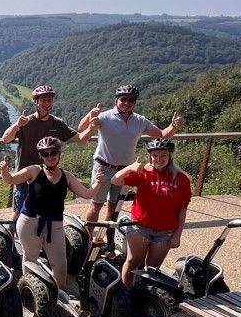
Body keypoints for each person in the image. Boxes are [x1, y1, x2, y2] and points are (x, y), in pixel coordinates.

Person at [0, 137, 104, 288]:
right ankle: (30, 291)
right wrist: (4, 170)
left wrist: (98, 184)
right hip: (30, 222)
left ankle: (58, 293)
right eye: (45, 154)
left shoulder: (66, 176)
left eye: (53, 152)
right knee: (30, 259)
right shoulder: (34, 170)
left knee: (60, 264)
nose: (50, 157)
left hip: (55, 223)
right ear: (40, 156)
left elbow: (87, 194)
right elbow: (10, 180)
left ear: (59, 154)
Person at [77, 85, 184, 231]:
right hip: (103, 168)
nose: (127, 102)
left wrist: (174, 126)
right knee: (96, 205)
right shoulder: (105, 116)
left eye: (131, 100)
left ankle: (105, 240)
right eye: (123, 99)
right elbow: (81, 128)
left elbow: (162, 135)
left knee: (114, 209)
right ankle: (88, 240)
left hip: (125, 171)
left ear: (135, 102)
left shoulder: (140, 120)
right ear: (116, 100)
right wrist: (91, 115)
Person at [1, 85, 100, 232]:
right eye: (44, 100)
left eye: (50, 100)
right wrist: (17, 125)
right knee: (19, 214)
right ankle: (11, 247)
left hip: (48, 177)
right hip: (25, 176)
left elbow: (80, 138)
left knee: (44, 214)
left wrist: (92, 127)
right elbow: (5, 139)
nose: (47, 103)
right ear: (36, 102)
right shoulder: (26, 122)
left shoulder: (57, 123)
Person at [111, 138, 191, 288]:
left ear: (170, 156)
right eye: (155, 155)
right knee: (133, 262)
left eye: (163, 155)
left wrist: (177, 235)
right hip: (139, 227)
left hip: (165, 231)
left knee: (152, 270)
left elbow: (183, 209)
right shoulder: (143, 173)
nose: (159, 159)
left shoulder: (181, 179)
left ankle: (143, 294)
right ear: (150, 156)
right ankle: (125, 292)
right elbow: (115, 180)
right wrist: (130, 168)